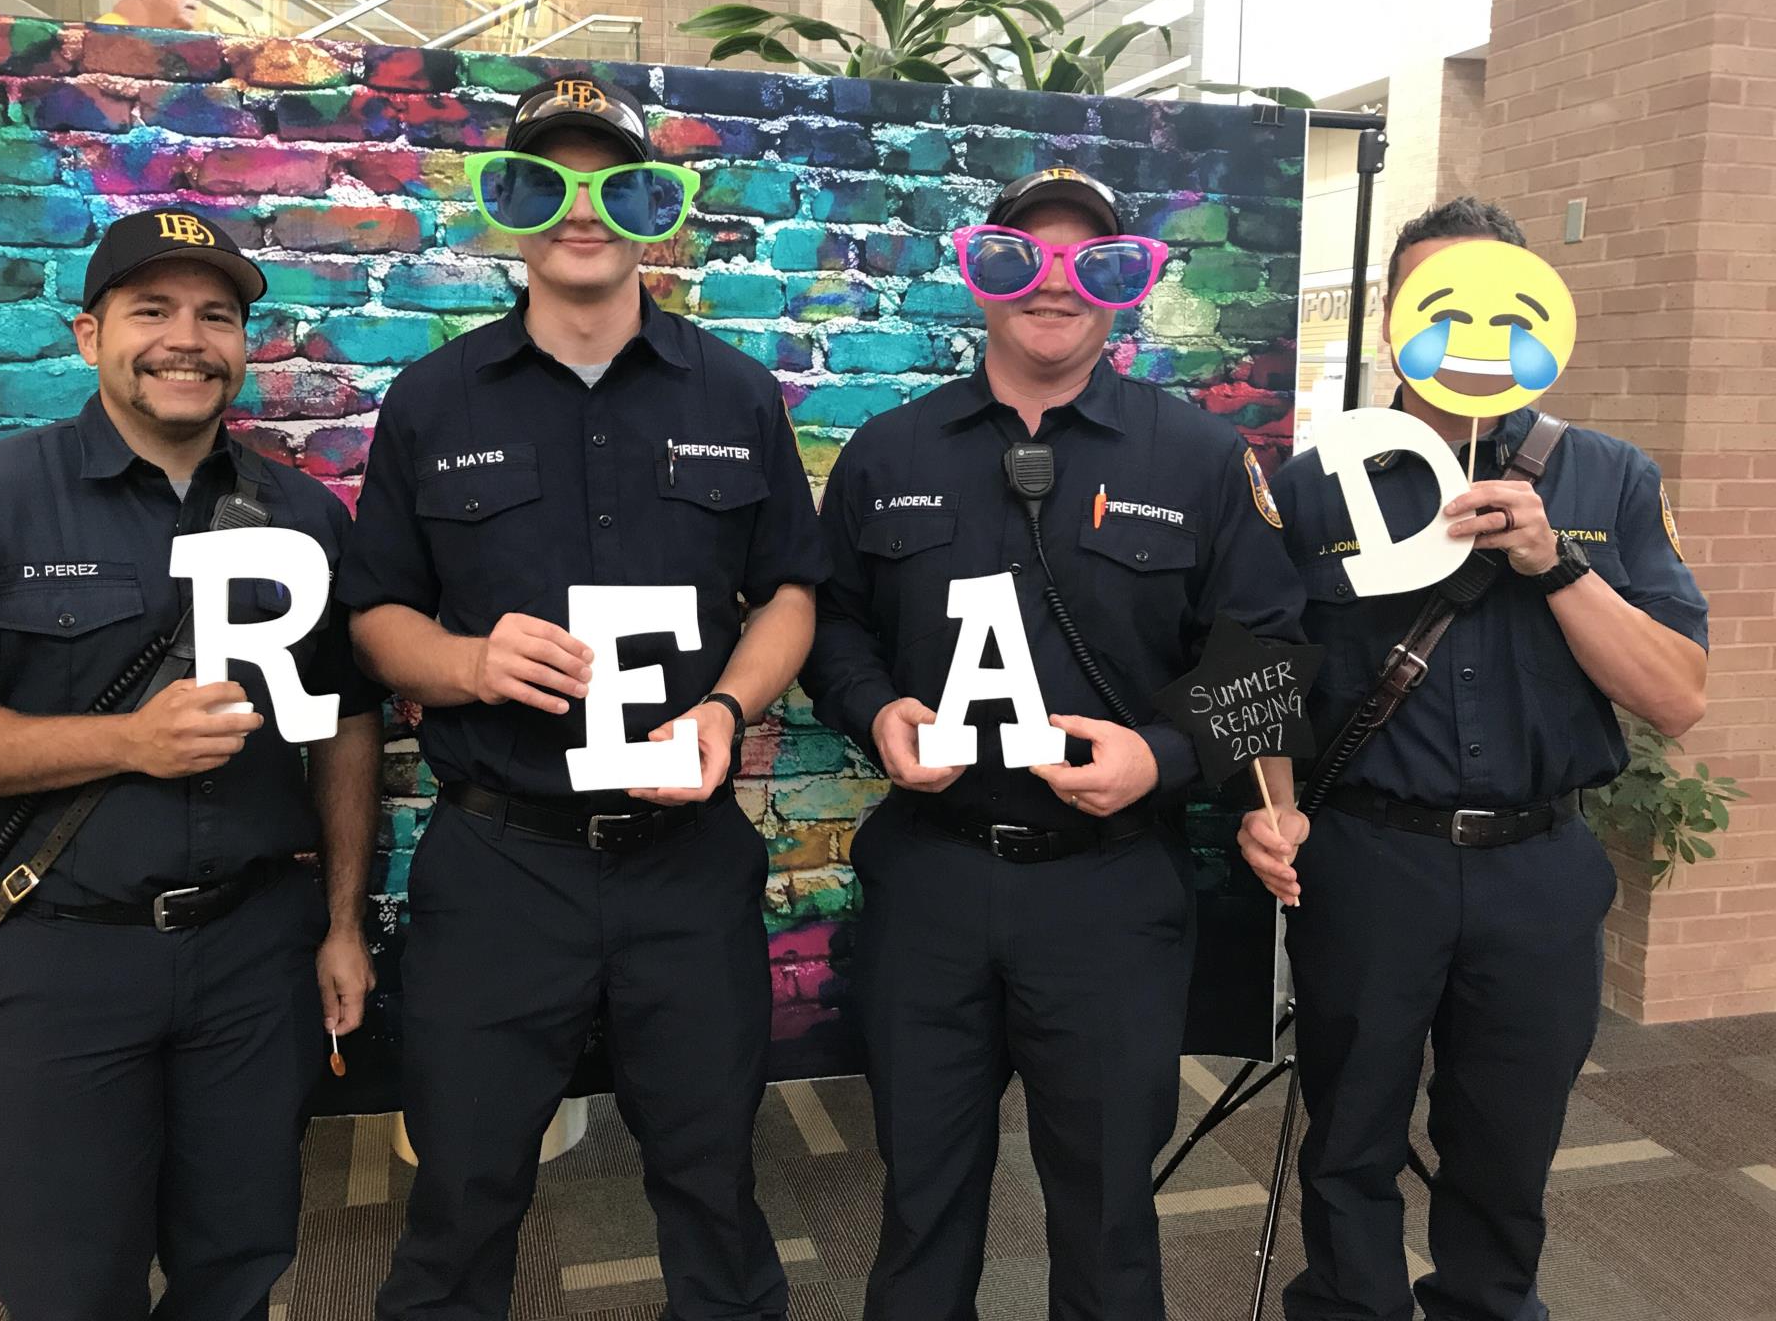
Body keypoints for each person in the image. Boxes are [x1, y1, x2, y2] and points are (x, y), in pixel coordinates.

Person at [338, 73, 826, 1321]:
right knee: (461, 1194)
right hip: (502, 858)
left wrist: (727, 709)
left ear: (652, 207)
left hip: (684, 854)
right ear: (509, 205)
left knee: (715, 1185)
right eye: (543, 181)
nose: (581, 211)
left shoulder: (733, 394)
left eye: (614, 182)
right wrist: (466, 663)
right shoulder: (435, 403)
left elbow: (789, 594)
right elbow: (378, 613)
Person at [0, 208, 384, 1321]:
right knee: (65, 1283)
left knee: (240, 1260)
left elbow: (342, 725)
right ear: (89, 335)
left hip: (255, 952)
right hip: (54, 957)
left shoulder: (301, 515)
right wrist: (126, 743)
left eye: (217, 315)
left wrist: (339, 922)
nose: (185, 339)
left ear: (245, 343)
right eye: (151, 311)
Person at [801, 166, 1308, 1321]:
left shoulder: (1196, 460)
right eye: (1022, 257)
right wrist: (873, 709)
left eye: (1094, 263)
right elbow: (826, 619)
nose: (1055, 286)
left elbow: (1268, 652)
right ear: (984, 277)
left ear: (1125, 289)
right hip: (931, 872)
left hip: (1109, 890)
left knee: (1107, 1213)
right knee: (923, 1203)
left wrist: (1163, 759)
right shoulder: (891, 452)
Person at [1238, 196, 1709, 1321]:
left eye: (1502, 307)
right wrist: (1269, 806)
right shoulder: (1309, 484)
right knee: (1346, 1139)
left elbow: (1678, 696)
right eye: (1438, 304)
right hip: (1366, 860)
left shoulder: (1608, 478)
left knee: (1507, 1144)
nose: (1474, 335)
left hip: (1539, 868)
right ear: (1394, 318)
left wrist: (1555, 563)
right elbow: (1243, 671)